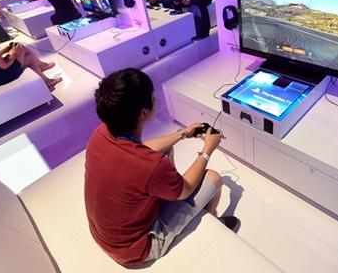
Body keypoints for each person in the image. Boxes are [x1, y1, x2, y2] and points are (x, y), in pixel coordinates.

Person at [85, 68, 238, 267]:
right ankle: (211, 225)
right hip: (137, 247)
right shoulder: (151, 165)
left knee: (166, 152)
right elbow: (185, 189)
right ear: (143, 112)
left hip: (106, 235)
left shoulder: (101, 133)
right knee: (214, 179)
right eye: (152, 95)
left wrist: (182, 134)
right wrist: (208, 149)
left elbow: (142, 151)